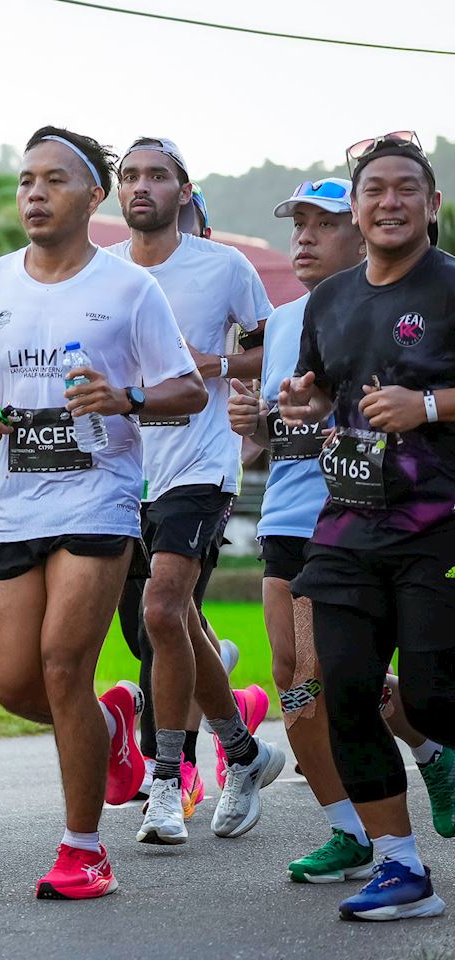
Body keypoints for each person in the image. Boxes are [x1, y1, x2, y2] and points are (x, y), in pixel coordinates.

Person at [0, 125, 207, 899]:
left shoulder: (129, 288)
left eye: (54, 180)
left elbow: (188, 390)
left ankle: (84, 849)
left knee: (64, 667)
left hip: (100, 495)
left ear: (94, 196)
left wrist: (125, 397)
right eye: (25, 179)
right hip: (18, 497)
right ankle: (115, 726)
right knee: (17, 686)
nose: (34, 193)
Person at [230, 179, 452, 888]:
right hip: (311, 522)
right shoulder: (303, 314)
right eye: (297, 225)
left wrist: (422, 406)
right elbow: (306, 415)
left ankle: (428, 750)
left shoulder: (434, 290)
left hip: (414, 519)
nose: (303, 238)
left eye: (319, 224)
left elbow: (394, 404)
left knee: (396, 687)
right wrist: (270, 420)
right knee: (306, 681)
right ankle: (361, 837)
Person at [110, 137, 284, 846]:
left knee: (162, 608)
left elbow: (274, 342)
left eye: (158, 175)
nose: (142, 186)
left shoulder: (223, 267)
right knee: (165, 623)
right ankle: (243, 753)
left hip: (202, 463)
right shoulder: (102, 273)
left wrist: (215, 364)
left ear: (185, 191)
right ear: (117, 193)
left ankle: (163, 779)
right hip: (123, 471)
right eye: (130, 176)